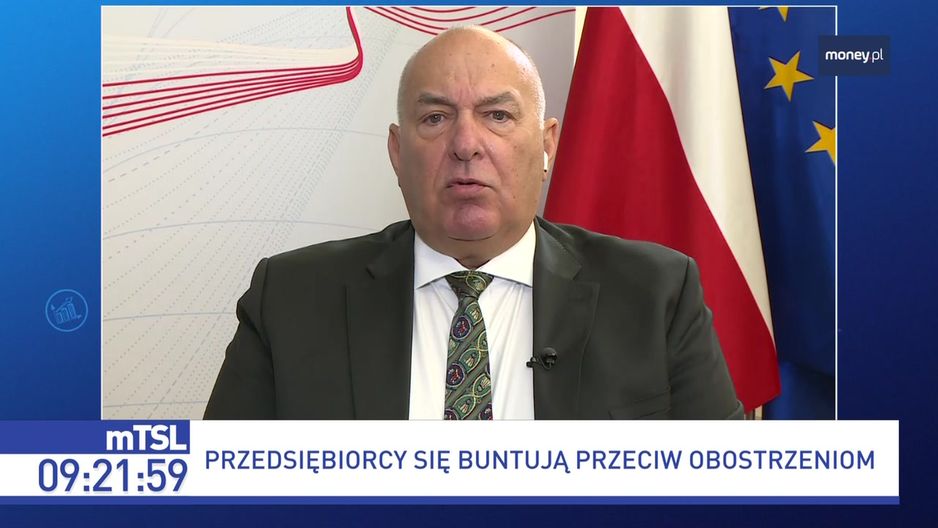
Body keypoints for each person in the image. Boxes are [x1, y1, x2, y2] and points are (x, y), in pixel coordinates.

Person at [204, 26, 743, 420]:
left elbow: (727, 499)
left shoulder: (655, 293)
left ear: (547, 145)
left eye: (497, 115)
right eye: (435, 118)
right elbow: (220, 498)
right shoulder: (290, 298)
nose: (465, 144)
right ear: (397, 152)